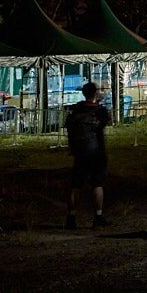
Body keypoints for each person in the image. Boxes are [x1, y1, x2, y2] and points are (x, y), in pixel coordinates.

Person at [65, 81, 110, 229]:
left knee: (75, 185)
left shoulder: (76, 109)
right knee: (97, 184)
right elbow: (106, 121)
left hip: (80, 152)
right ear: (95, 93)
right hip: (96, 153)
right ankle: (98, 216)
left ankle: (71, 217)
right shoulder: (100, 111)